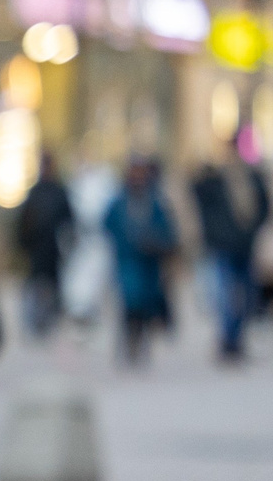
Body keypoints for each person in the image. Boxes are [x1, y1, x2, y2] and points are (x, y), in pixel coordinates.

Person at [189, 151, 267, 362]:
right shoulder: (215, 180)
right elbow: (197, 197)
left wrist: (251, 232)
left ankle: (235, 337)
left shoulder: (253, 179)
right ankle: (228, 339)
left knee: (248, 296)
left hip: (246, 247)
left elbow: (263, 208)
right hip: (224, 247)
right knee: (225, 295)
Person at [103, 155, 180, 366]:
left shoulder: (155, 201)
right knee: (131, 301)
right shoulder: (119, 202)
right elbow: (107, 225)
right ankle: (131, 341)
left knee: (146, 304)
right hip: (128, 260)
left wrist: (158, 242)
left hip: (150, 263)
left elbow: (169, 230)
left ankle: (141, 341)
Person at [15, 152, 76, 339]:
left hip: (54, 248)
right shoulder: (35, 192)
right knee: (36, 284)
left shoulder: (59, 192)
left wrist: (68, 243)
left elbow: (69, 220)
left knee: (53, 283)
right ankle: (37, 320)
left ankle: (51, 317)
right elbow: (24, 221)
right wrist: (23, 244)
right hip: (36, 247)